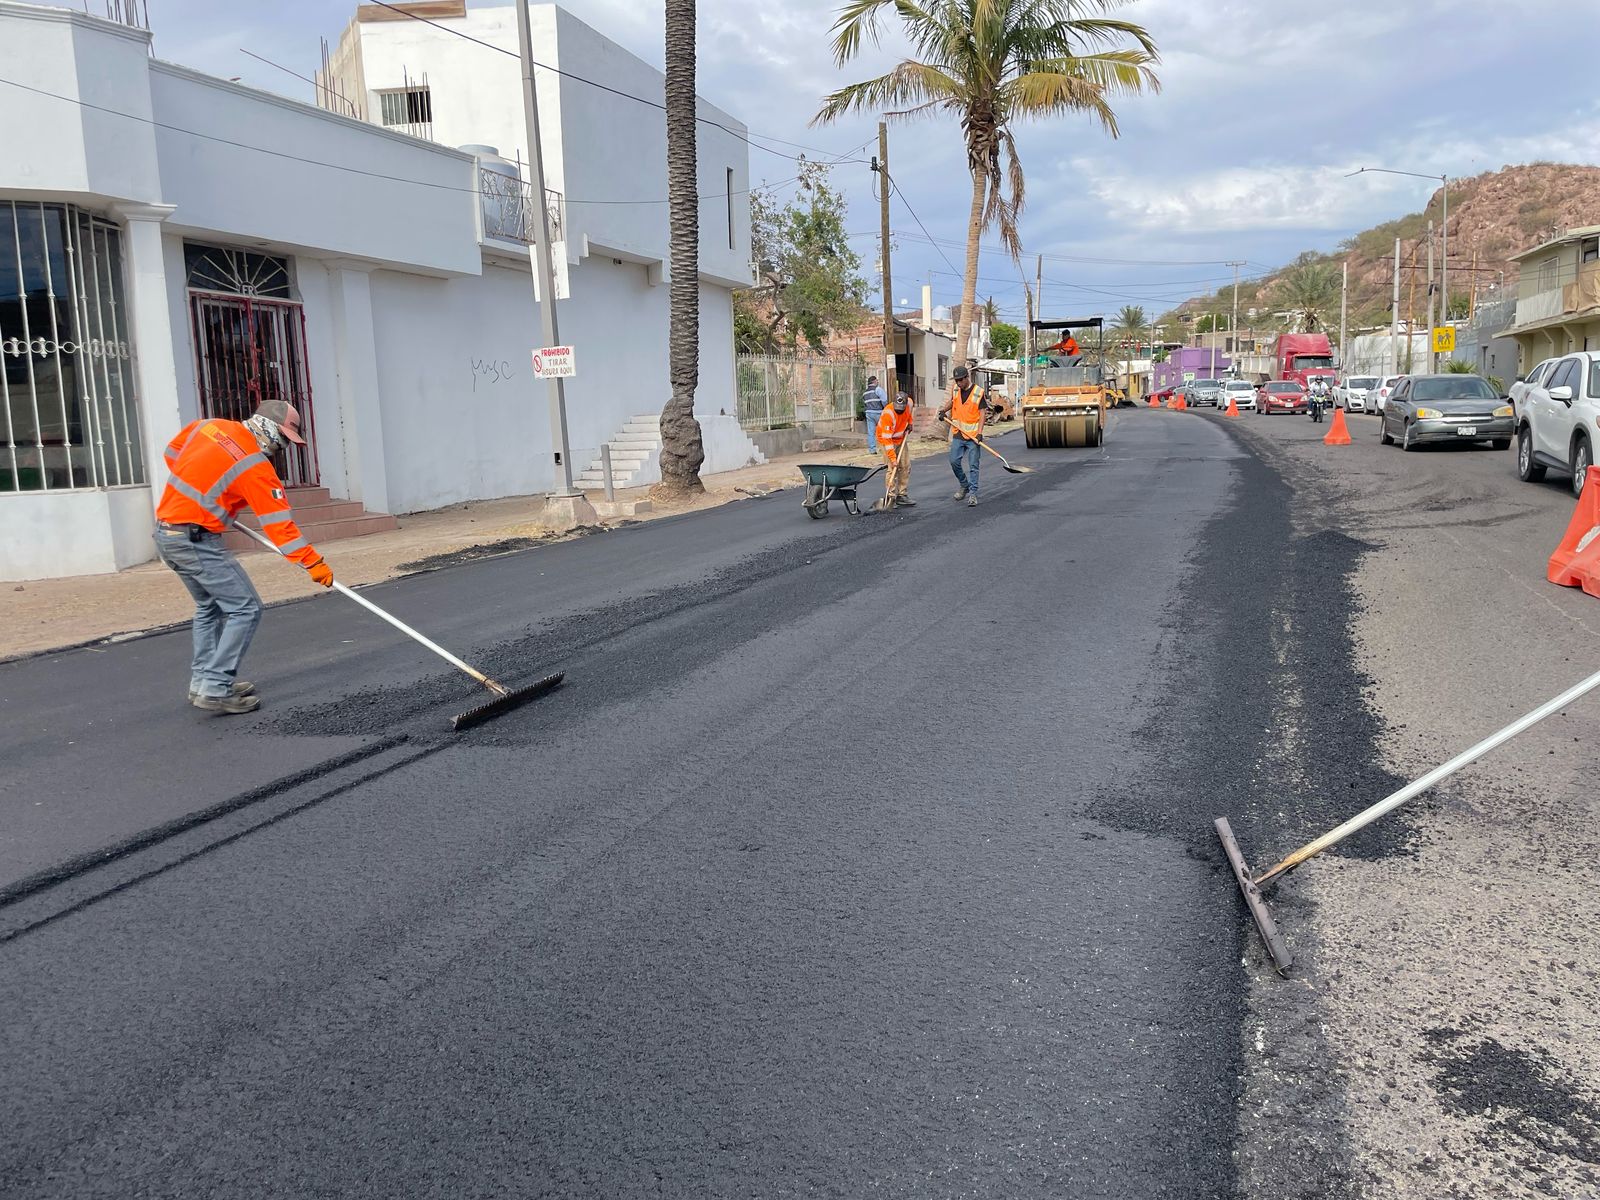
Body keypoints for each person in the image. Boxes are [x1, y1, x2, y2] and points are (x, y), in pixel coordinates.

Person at [154, 399, 333, 714]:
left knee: (209, 606)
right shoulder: (254, 466)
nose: (281, 448)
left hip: (167, 534)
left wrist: (207, 493)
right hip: (195, 540)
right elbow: (281, 528)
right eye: (283, 439)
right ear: (269, 427)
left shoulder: (207, 426)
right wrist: (313, 564)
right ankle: (216, 686)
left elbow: (172, 453)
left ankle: (203, 682)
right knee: (245, 608)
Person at [938, 365, 989, 507]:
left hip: (973, 435)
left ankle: (972, 494)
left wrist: (979, 433)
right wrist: (943, 410)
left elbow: (982, 413)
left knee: (973, 465)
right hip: (958, 433)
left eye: (961, 380)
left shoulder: (978, 392)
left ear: (967, 377)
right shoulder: (956, 389)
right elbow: (953, 401)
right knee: (954, 461)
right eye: (957, 380)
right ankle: (964, 485)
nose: (958, 383)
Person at [875, 391, 916, 508]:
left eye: (901, 409)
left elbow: (909, 414)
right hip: (886, 440)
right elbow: (887, 441)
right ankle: (891, 496)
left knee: (905, 465)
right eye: (897, 409)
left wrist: (910, 423)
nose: (899, 411)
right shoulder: (888, 414)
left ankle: (902, 495)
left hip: (900, 438)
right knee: (892, 468)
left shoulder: (909, 404)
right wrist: (893, 459)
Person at [862, 375, 888, 452]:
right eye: (877, 381)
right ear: (874, 381)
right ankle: (884, 447)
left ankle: (872, 449)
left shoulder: (865, 393)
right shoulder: (878, 389)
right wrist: (886, 409)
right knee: (883, 430)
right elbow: (884, 400)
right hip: (879, 412)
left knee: (871, 432)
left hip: (869, 413)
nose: (878, 382)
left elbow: (865, 403)